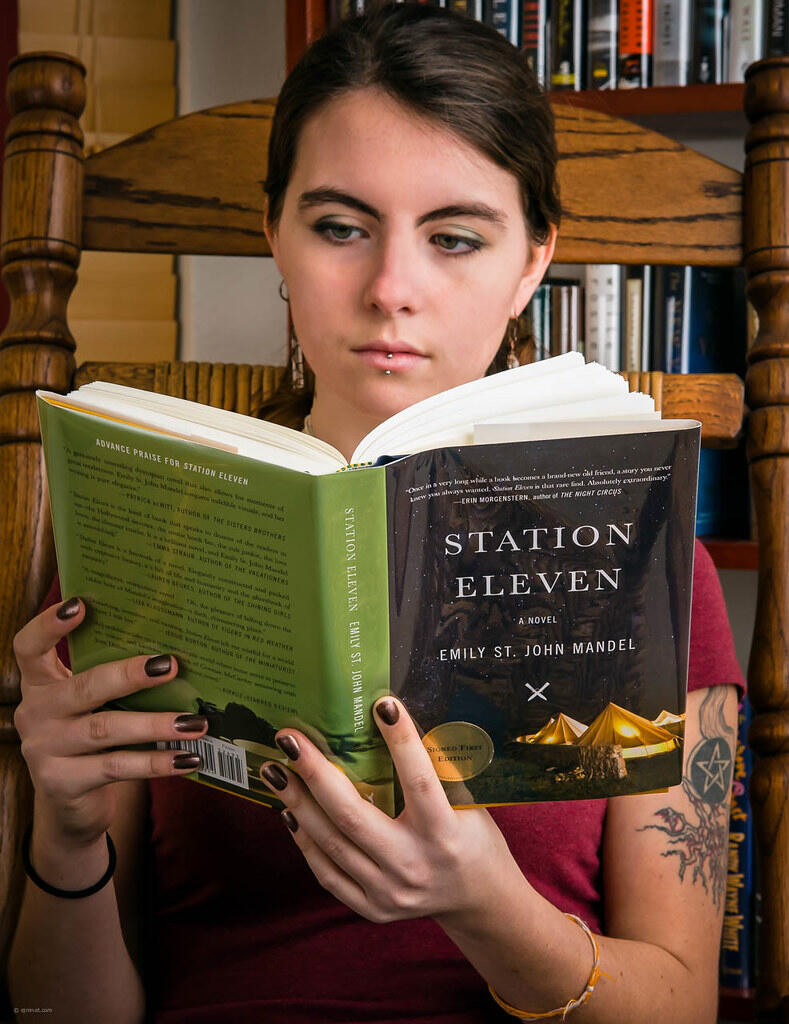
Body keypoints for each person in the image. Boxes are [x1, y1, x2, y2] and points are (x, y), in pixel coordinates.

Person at [8, 5, 744, 1022]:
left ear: (531, 261)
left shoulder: (648, 566)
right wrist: (63, 830)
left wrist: (486, 907)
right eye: (340, 227)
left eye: (454, 238)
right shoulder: (137, 546)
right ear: (275, 234)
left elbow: (679, 1007)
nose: (391, 288)